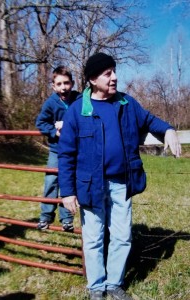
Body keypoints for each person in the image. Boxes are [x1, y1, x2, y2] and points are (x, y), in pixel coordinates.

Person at [58, 53, 181, 300]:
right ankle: (96, 287)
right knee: (93, 239)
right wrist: (68, 191)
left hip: (121, 183)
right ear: (93, 78)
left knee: (122, 236)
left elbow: (150, 120)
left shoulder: (126, 103)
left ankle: (114, 284)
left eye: (114, 71)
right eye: (108, 73)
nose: (114, 77)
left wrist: (168, 130)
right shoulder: (76, 111)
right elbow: (66, 154)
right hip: (91, 186)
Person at [36, 66, 79, 231]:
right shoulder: (51, 103)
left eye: (66, 83)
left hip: (75, 150)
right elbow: (41, 123)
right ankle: (45, 217)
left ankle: (67, 219)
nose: (63, 87)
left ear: (72, 84)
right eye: (59, 84)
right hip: (56, 150)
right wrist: (54, 131)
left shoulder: (79, 99)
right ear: (53, 86)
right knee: (51, 182)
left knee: (69, 183)